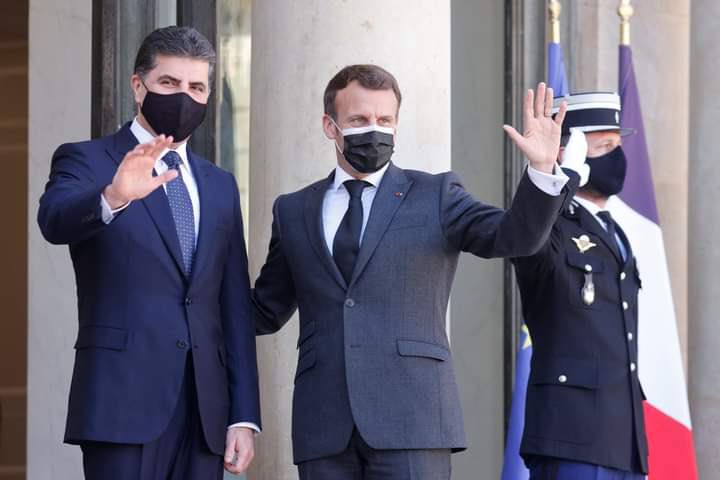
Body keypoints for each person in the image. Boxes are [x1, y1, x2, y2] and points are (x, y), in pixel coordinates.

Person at [252, 64, 577, 479]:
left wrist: (542, 172)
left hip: (414, 420)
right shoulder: (294, 210)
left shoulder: (436, 195)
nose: (374, 130)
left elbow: (513, 238)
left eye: (384, 120)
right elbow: (264, 310)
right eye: (359, 120)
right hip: (324, 428)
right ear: (330, 126)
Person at [37, 26, 259, 479]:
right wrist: (113, 196)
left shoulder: (220, 185)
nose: (184, 97)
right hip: (122, 402)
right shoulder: (88, 160)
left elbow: (233, 304)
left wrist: (243, 415)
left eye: (196, 87)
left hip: (205, 411)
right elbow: (54, 220)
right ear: (138, 87)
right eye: (169, 83)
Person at [513, 92, 648, 480]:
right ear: (567, 151)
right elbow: (524, 235)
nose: (616, 157)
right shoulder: (549, 225)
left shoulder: (612, 231)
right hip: (571, 433)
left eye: (618, 146)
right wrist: (560, 177)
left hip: (623, 438)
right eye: (604, 147)